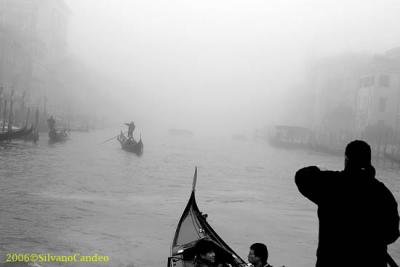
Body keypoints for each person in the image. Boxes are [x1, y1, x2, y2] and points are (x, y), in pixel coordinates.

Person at [295, 140, 399, 267]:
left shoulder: (330, 184)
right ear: (369, 161)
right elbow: (392, 234)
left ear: (346, 159)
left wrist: (320, 168)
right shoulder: (383, 193)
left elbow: (300, 176)